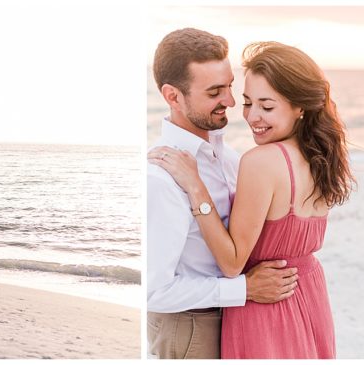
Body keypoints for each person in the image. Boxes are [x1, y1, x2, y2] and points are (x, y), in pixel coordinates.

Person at [149, 41, 350, 359]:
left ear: (300, 107)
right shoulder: (321, 157)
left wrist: (196, 188)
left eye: (266, 107)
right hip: (309, 298)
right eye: (246, 102)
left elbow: (232, 264)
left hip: (265, 310)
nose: (250, 116)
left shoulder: (258, 161)